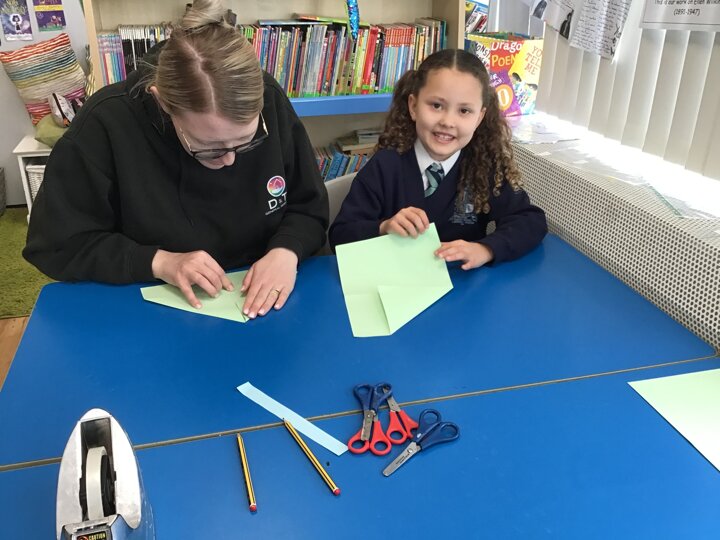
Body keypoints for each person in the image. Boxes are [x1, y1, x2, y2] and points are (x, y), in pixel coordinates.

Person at [24, 0, 328, 319]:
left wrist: (286, 250)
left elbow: (309, 205)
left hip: (265, 297)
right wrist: (159, 262)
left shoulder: (270, 99)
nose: (229, 160)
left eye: (247, 142)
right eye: (210, 148)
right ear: (162, 103)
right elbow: (56, 245)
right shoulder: (104, 125)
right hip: (152, 305)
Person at [329, 49, 546, 269]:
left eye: (464, 111)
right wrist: (383, 228)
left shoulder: (483, 167)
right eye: (436, 106)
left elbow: (530, 220)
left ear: (479, 117)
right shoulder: (385, 165)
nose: (448, 122)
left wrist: (486, 249)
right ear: (414, 106)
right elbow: (340, 235)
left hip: (462, 282)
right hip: (394, 279)